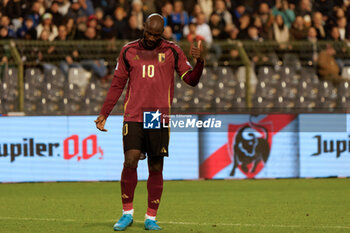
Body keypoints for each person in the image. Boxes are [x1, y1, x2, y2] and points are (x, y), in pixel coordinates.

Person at [94, 13, 204, 231]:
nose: (152, 38)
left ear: (162, 33)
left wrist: (200, 61)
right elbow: (117, 84)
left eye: (156, 34)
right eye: (148, 33)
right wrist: (104, 113)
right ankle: (127, 214)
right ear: (143, 28)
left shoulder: (172, 50)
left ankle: (151, 217)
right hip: (134, 114)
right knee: (131, 158)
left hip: (157, 116)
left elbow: (191, 80)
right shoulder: (128, 50)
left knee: (155, 165)